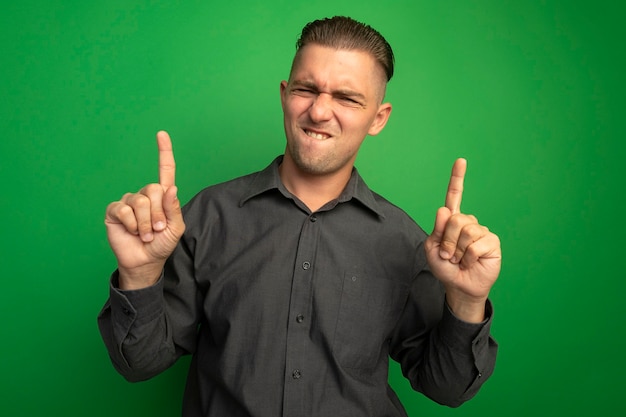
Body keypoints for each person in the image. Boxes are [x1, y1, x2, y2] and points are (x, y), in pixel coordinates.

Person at [98, 16, 501, 417]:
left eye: (346, 98)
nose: (320, 111)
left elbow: (446, 387)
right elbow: (141, 363)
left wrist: (467, 301)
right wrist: (140, 275)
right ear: (285, 94)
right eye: (307, 89)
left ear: (378, 117)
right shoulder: (207, 217)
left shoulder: (406, 242)